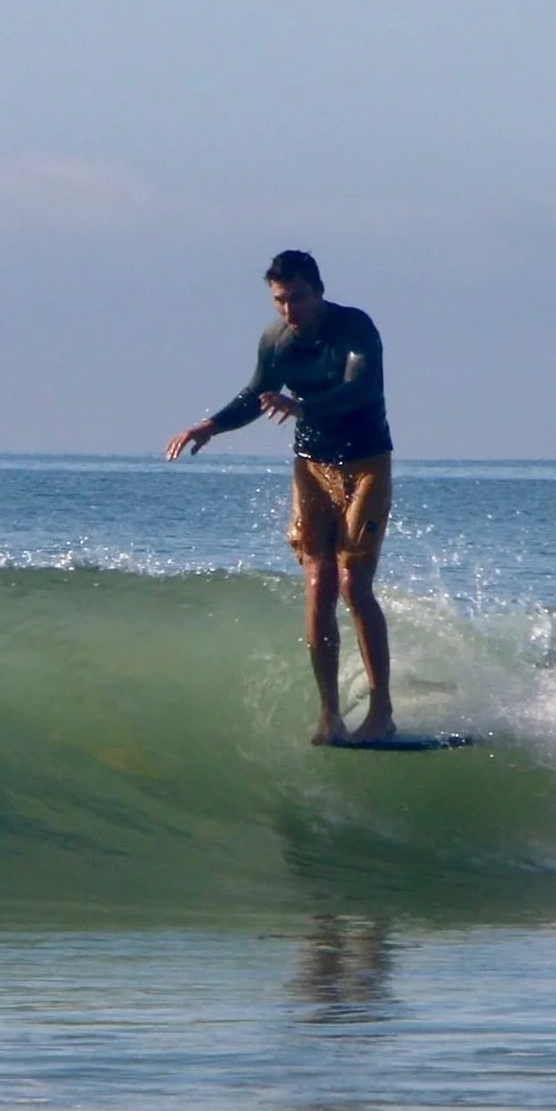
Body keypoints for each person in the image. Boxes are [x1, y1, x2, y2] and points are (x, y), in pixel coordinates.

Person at [165, 250, 395, 745]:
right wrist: (211, 425)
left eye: (296, 297)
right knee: (319, 580)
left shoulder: (355, 329)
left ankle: (381, 711)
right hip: (311, 466)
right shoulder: (276, 341)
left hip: (365, 463)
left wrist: (301, 405)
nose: (288, 309)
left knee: (354, 581)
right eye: (279, 300)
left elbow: (361, 387)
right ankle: (329, 714)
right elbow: (256, 394)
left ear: (319, 290)